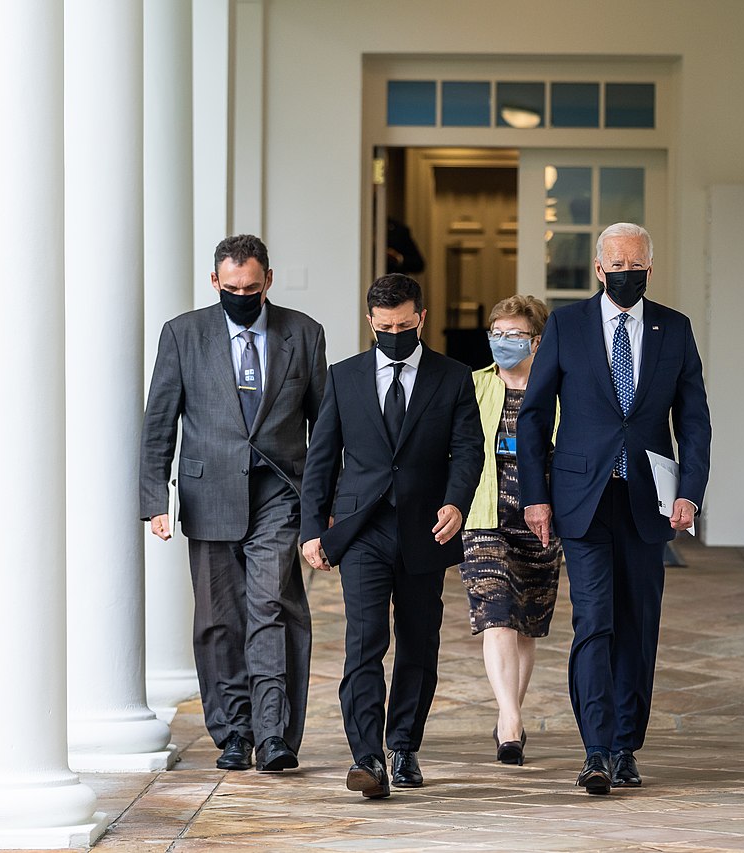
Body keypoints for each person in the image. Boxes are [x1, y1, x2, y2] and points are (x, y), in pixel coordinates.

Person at [518, 223, 711, 795]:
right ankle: (596, 749)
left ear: (650, 268)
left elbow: (693, 419)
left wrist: (690, 491)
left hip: (647, 501)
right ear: (599, 269)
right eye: (617, 265)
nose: (628, 274)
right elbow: (534, 415)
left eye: (637, 266)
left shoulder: (675, 328)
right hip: (583, 499)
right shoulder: (567, 326)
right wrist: (535, 495)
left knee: (638, 625)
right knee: (594, 621)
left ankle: (627, 746)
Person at [139, 234, 327, 774]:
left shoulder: (304, 333)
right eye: (231, 287)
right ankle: (234, 733)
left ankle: (274, 735)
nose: (241, 296)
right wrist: (155, 497)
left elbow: (324, 427)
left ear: (268, 280)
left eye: (251, 287)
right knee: (219, 620)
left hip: (279, 492)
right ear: (215, 282)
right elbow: (159, 421)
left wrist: (323, 503)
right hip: (209, 493)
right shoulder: (183, 334)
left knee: (273, 607)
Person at [300, 273, 484, 799]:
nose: (395, 334)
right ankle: (367, 758)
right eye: (385, 327)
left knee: (418, 643)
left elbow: (468, 450)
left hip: (427, 527)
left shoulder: (453, 377)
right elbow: (321, 458)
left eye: (404, 326)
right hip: (363, 529)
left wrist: (456, 502)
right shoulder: (344, 377)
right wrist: (312, 528)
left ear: (421, 318)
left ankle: (403, 745)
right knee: (364, 642)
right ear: (370, 322)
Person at [459, 295, 561, 766]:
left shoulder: (559, 390)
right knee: (496, 613)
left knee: (525, 625)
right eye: (496, 334)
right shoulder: (473, 385)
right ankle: (510, 721)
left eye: (514, 335)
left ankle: (508, 715)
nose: (503, 342)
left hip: (541, 519)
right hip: (484, 516)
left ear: (537, 341)